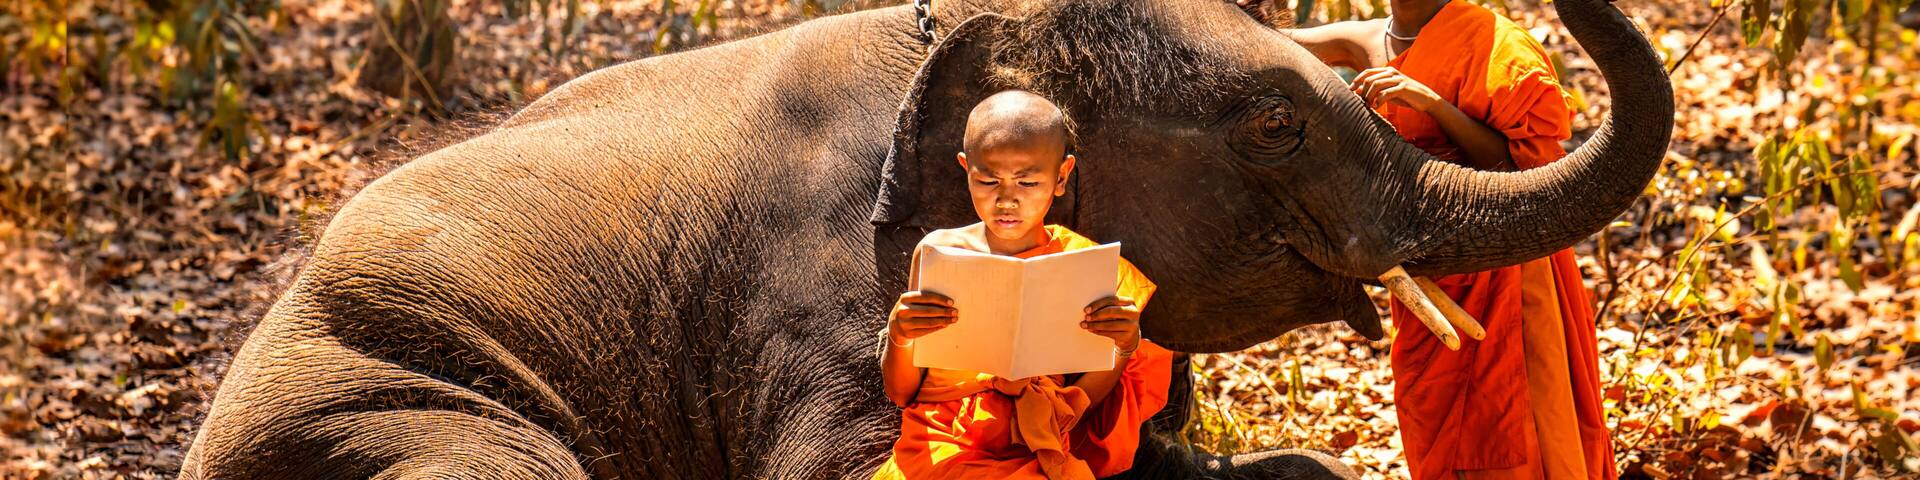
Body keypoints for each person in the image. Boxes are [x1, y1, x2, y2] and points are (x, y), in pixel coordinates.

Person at [1257, 0, 1616, 478]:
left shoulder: (1496, 43)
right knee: (1436, 416)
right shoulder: (1368, 39)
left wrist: (1431, 103)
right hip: (1425, 264)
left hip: (1505, 262)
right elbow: (1259, 50)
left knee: (1519, 421)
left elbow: (1524, 167)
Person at [871, 90, 1174, 480]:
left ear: (1061, 176)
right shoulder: (939, 253)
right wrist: (900, 336)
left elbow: (1082, 403)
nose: (1006, 200)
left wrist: (1122, 347)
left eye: (1028, 182)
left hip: (1037, 443)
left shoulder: (1083, 262)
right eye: (987, 180)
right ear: (966, 170)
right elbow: (901, 394)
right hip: (943, 444)